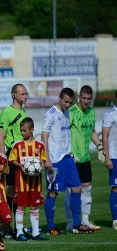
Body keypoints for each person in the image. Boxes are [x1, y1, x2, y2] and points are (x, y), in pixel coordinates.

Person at [41, 88, 93, 235]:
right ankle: (51, 226)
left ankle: (77, 224)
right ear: (59, 98)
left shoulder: (68, 112)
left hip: (67, 159)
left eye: (70, 102)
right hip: (54, 160)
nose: (68, 105)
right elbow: (44, 137)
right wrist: (47, 159)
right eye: (65, 102)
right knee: (53, 193)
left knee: (77, 188)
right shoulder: (50, 114)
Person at [64, 85, 103, 231]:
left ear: (91, 98)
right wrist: (68, 152)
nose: (86, 101)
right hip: (73, 159)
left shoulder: (92, 112)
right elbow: (65, 133)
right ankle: (70, 222)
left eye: (89, 99)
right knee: (71, 192)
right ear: (79, 97)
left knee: (87, 189)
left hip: (85, 159)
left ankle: (85, 220)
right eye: (84, 98)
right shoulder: (71, 112)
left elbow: (93, 131)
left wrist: (100, 147)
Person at [8, 117, 48, 241]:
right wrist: (21, 165)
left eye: (24, 130)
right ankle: (19, 232)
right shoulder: (17, 145)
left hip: (36, 183)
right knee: (20, 206)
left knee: (34, 207)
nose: (22, 132)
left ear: (32, 129)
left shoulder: (40, 145)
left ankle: (36, 232)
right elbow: (12, 159)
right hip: (21, 182)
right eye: (21, 130)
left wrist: (40, 165)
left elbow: (43, 159)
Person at [0, 83, 28, 238]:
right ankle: (6, 226)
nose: (25, 96)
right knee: (10, 191)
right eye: (22, 94)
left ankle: (19, 227)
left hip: (23, 155)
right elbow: (1, 138)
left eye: (26, 94)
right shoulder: (7, 112)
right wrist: (3, 160)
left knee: (20, 191)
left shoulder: (23, 112)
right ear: (13, 95)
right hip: (11, 154)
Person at [101, 89, 117, 230]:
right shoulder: (110, 114)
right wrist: (107, 157)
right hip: (115, 157)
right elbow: (104, 137)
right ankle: (115, 220)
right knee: (116, 188)